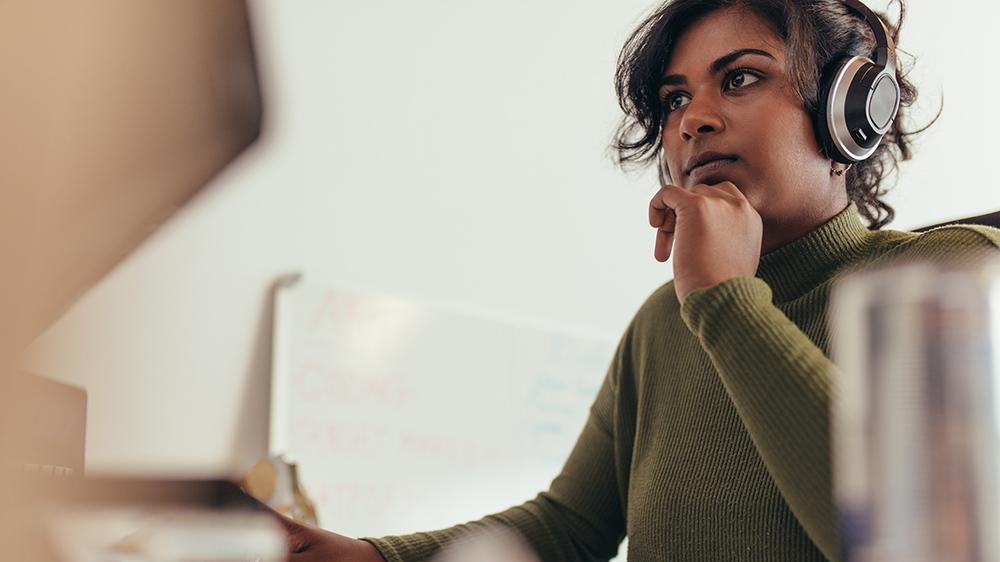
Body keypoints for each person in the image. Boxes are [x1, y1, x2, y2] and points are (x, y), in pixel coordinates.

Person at [278, 1, 1000, 561]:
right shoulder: (667, 320)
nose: (694, 121)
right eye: (675, 98)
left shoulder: (956, 274)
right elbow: (567, 528)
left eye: (740, 78)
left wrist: (725, 301)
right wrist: (371, 555)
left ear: (851, 114)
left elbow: (916, 537)